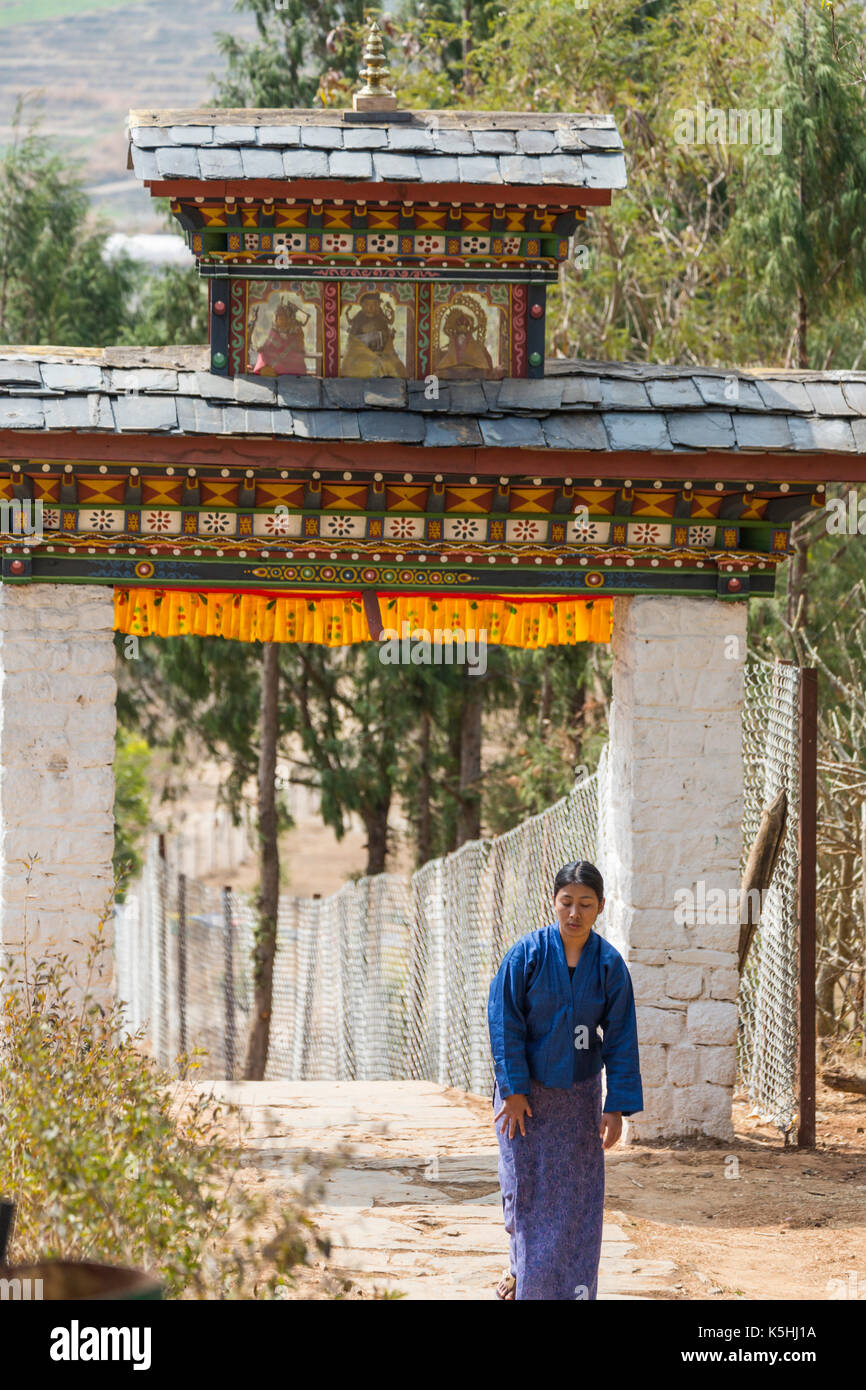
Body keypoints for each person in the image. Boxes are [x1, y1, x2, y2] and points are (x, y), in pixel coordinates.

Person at [488, 860, 643, 1300]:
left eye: (585, 904)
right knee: (525, 1186)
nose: (574, 913)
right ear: (553, 902)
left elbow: (621, 1035)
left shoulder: (609, 965)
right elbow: (504, 1024)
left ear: (601, 908)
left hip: (578, 1097)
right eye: (567, 902)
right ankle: (524, 1273)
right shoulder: (527, 955)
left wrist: (615, 1105)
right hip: (526, 1098)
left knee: (577, 1197)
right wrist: (514, 1091)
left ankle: (575, 1288)